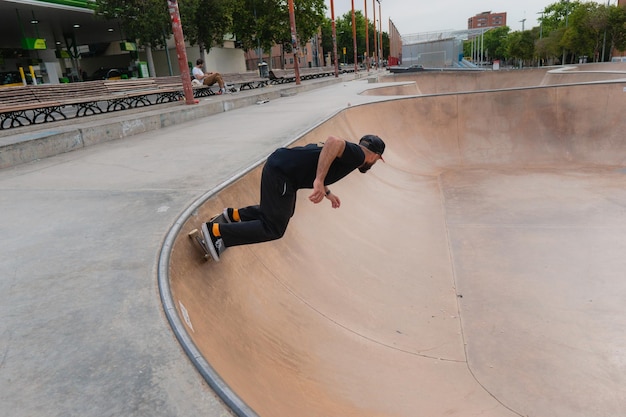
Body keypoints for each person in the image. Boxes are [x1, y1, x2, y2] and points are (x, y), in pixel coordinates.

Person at [201, 134, 386, 261]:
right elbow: (334, 141)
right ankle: (215, 232)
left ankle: (233, 216)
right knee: (273, 228)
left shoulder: (351, 154)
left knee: (285, 212)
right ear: (376, 156)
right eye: (377, 160)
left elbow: (318, 160)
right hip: (282, 174)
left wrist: (327, 192)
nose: (374, 163)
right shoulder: (358, 155)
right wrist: (319, 180)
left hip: (282, 169)